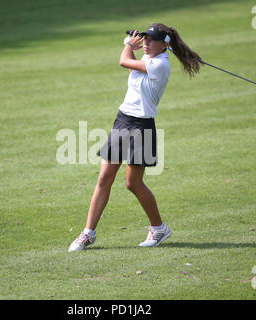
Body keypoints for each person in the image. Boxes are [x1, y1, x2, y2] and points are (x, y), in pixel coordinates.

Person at [68, 23, 201, 252]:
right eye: (145, 39)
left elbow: (124, 61)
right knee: (104, 179)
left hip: (142, 126)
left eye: (151, 41)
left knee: (133, 183)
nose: (147, 44)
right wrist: (130, 46)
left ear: (164, 45)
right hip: (123, 120)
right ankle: (88, 233)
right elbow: (131, 67)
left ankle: (158, 228)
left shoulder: (160, 65)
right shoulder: (149, 60)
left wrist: (129, 45)